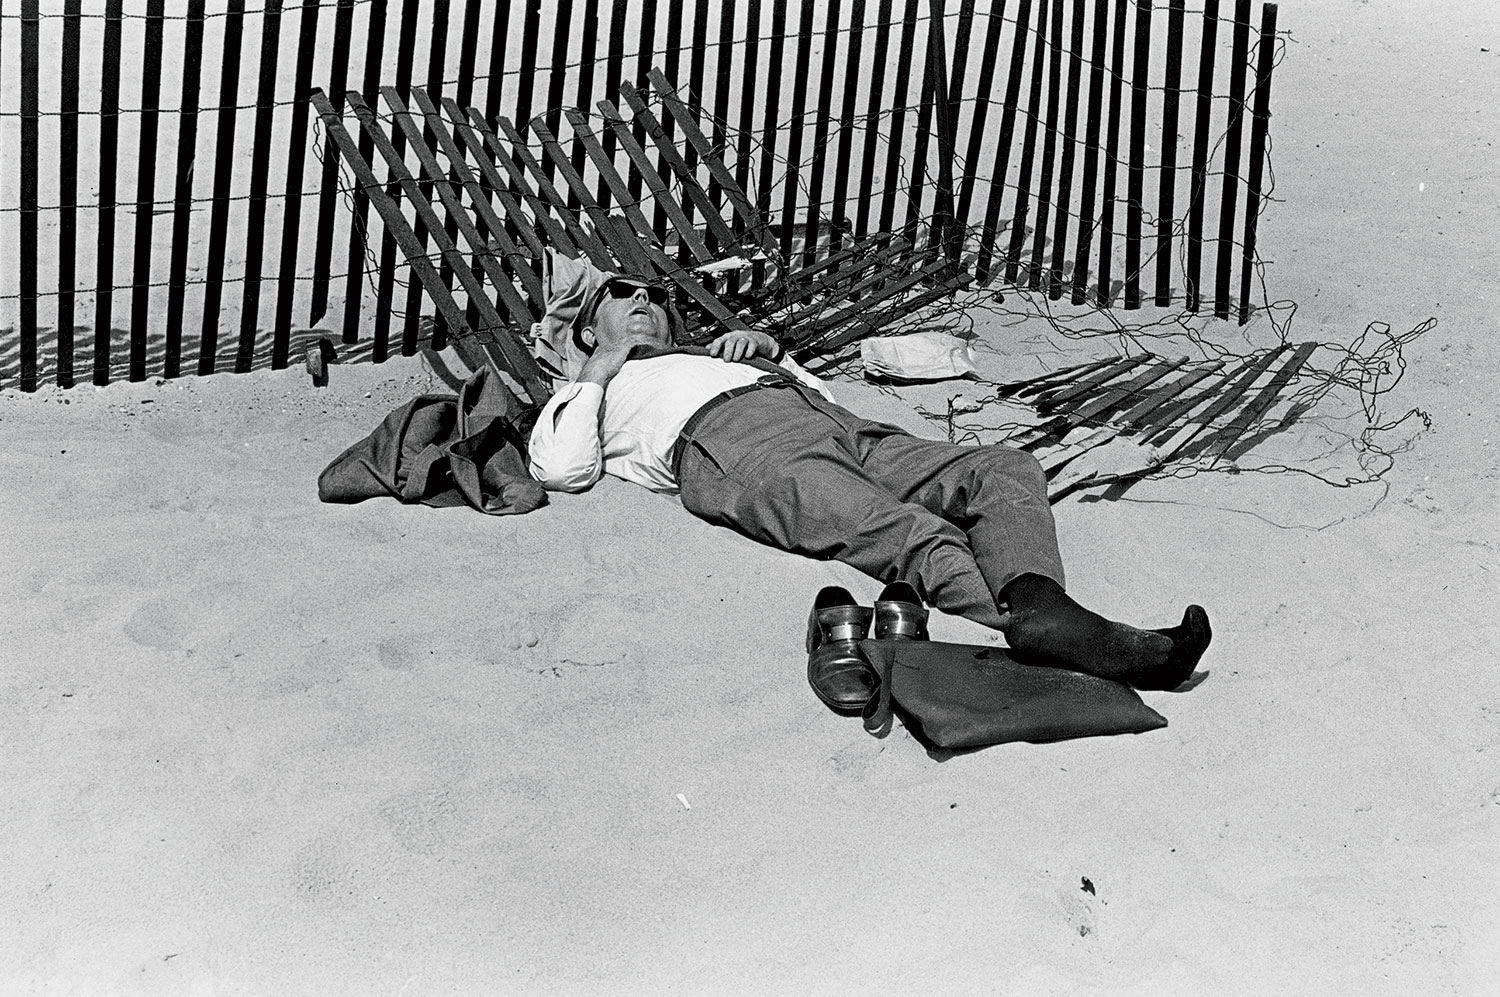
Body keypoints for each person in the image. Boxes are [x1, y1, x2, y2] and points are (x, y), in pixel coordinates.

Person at [528, 274, 1211, 704]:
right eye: (621, 292)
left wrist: (773, 356)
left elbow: (821, 395)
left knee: (1002, 469)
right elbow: (562, 467)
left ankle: (1045, 608)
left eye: (652, 293)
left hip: (835, 424)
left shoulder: (706, 352)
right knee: (911, 534)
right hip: (737, 447)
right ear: (589, 326)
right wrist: (597, 370)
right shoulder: (589, 389)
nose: (643, 298)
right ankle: (1055, 631)